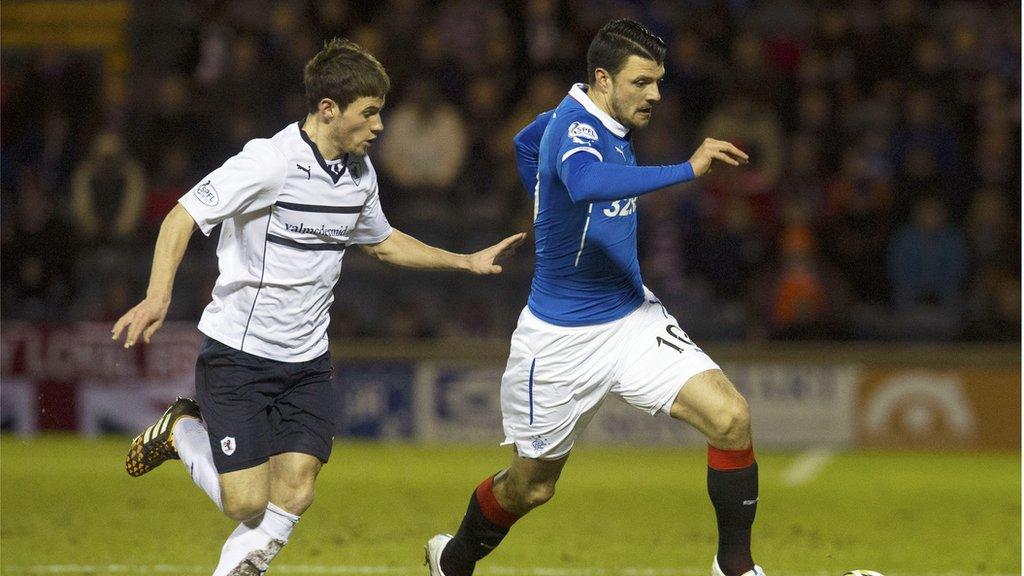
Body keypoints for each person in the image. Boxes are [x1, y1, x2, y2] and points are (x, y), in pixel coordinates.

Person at [111, 37, 525, 576]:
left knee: (296, 489)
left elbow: (381, 241)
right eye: (370, 113)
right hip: (240, 353)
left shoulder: (360, 175)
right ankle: (181, 431)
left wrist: (463, 262)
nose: (380, 126)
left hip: (306, 360)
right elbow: (181, 216)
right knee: (245, 503)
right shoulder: (268, 162)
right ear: (328, 109)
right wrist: (158, 295)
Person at [425, 20, 764, 576]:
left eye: (658, 82)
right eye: (642, 83)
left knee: (731, 418)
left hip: (631, 318)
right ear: (603, 79)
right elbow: (583, 182)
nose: (655, 94)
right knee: (531, 488)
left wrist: (543, 201)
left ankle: (735, 567)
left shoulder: (592, 115)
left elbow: (523, 143)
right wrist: (687, 168)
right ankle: (453, 559)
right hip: (558, 340)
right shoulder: (576, 127)